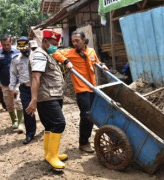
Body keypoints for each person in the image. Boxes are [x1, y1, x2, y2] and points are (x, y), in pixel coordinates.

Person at [52, 31, 109, 153]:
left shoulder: (91, 51)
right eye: (73, 41)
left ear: (84, 40)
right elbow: (55, 53)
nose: (75, 43)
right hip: (81, 89)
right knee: (86, 115)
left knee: (93, 114)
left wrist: (102, 65)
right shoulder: (70, 53)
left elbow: (96, 62)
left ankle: (87, 138)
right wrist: (66, 61)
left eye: (77, 40)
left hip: (93, 88)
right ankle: (83, 142)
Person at [26, 30, 68, 170]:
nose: (55, 47)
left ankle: (50, 153)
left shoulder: (46, 54)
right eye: (53, 44)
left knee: (50, 125)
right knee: (59, 123)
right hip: (47, 96)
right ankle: (52, 156)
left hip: (53, 95)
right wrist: (33, 99)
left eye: (57, 44)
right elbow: (36, 77)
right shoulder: (40, 55)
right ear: (45, 42)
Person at [0, 35, 23, 129]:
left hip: (17, 82)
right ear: (1, 44)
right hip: (4, 83)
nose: (6, 46)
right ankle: (14, 121)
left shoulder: (17, 52)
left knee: (18, 101)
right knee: (8, 103)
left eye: (8, 44)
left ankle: (20, 122)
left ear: (11, 43)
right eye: (4, 45)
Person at [10, 36, 37, 143]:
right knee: (27, 111)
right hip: (25, 88)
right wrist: (12, 87)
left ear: (29, 45)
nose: (22, 49)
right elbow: (12, 74)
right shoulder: (16, 59)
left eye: (24, 47)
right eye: (20, 48)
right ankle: (30, 133)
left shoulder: (36, 56)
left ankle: (48, 130)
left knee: (44, 109)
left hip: (38, 87)